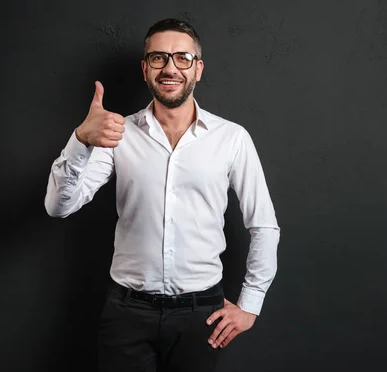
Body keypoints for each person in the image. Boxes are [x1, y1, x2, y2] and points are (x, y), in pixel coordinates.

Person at [44, 18, 280, 372]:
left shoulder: (232, 138)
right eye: (158, 58)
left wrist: (250, 304)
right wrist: (80, 140)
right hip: (127, 314)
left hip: (201, 316)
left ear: (198, 69)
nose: (170, 68)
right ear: (145, 68)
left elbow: (263, 225)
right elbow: (58, 207)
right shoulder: (117, 133)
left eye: (182, 58)